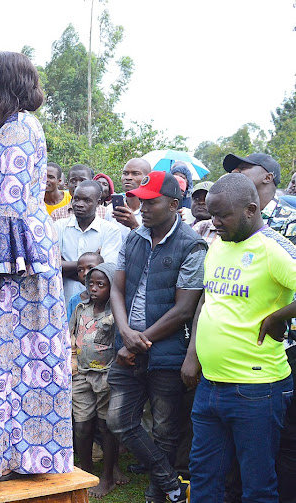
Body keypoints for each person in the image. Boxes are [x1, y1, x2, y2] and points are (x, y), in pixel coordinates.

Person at [0, 51, 72, 481]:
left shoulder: (20, 128)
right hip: (0, 255)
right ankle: (0, 454)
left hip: (13, 264)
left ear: (4, 85)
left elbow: (11, 202)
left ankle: (16, 457)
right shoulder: (6, 129)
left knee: (13, 357)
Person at [181, 173, 296, 502]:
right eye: (211, 214)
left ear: (250, 209)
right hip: (210, 387)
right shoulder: (218, 245)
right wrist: (193, 356)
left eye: (222, 215)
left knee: (257, 484)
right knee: (204, 476)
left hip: (257, 391)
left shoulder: (273, 249)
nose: (214, 222)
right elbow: (208, 299)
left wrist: (279, 316)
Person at [106, 170, 206, 503]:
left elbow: (184, 309)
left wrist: (140, 339)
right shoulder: (133, 238)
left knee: (165, 430)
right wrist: (125, 333)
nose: (143, 207)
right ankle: (171, 485)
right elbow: (117, 289)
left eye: (151, 201)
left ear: (175, 205)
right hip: (127, 348)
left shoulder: (192, 244)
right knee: (119, 420)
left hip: (166, 351)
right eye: (141, 200)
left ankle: (156, 496)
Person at [222, 152, 296, 500]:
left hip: (284, 351)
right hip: (237, 357)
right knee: (243, 446)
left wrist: (281, 316)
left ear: (267, 176)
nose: (235, 173)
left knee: (284, 442)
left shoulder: (289, 218)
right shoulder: (229, 225)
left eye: (242, 168)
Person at [70, 263, 127, 498]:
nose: (94, 289)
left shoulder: (116, 314)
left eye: (101, 285)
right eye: (91, 284)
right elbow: (70, 334)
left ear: (112, 287)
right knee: (82, 426)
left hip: (107, 376)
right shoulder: (81, 308)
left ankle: (108, 474)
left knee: (106, 426)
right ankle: (85, 470)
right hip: (81, 374)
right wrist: (71, 359)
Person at [55, 180, 121, 303]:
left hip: (95, 304)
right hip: (62, 300)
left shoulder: (110, 230)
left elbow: (105, 271)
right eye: (76, 199)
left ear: (99, 203)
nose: (79, 204)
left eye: (87, 200)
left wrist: (65, 266)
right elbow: (52, 265)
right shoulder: (58, 226)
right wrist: (90, 263)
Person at [105, 158, 152, 238]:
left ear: (147, 178)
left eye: (135, 174)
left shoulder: (152, 212)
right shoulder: (111, 210)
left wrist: (133, 225)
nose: (128, 177)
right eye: (125, 173)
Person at [66, 251, 104, 322]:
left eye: (90, 268)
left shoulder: (110, 299)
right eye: (80, 270)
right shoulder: (74, 300)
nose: (85, 273)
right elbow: (70, 327)